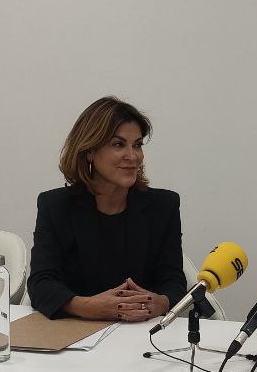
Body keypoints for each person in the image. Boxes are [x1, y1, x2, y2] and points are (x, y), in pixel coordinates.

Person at [27, 97, 188, 322]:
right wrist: (88, 307)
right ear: (89, 151)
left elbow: (174, 280)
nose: (132, 156)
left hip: (142, 329)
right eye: (118, 144)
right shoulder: (55, 206)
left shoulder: (164, 205)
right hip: (76, 330)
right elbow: (41, 284)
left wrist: (160, 303)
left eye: (137, 145)